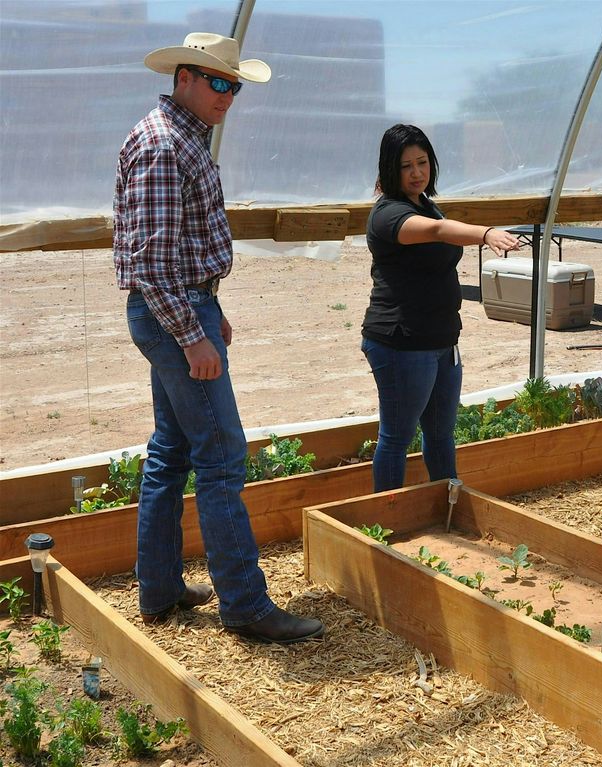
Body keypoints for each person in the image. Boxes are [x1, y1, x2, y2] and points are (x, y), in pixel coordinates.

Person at [113, 32, 323, 644]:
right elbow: (154, 264)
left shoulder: (181, 137)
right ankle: (245, 605)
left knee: (172, 450)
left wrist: (211, 309)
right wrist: (192, 335)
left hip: (184, 308)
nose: (228, 94)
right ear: (184, 77)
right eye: (219, 82)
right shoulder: (163, 145)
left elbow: (177, 250)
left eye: (235, 85)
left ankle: (160, 588)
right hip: (174, 315)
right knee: (223, 457)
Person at [362, 124, 519, 492]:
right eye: (406, 166)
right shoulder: (388, 214)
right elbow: (436, 231)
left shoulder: (427, 205)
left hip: (442, 342)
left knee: (441, 434)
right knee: (397, 438)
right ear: (389, 169)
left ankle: (447, 508)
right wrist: (485, 233)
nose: (417, 172)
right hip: (402, 343)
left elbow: (438, 229)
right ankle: (387, 514)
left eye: (422, 162)